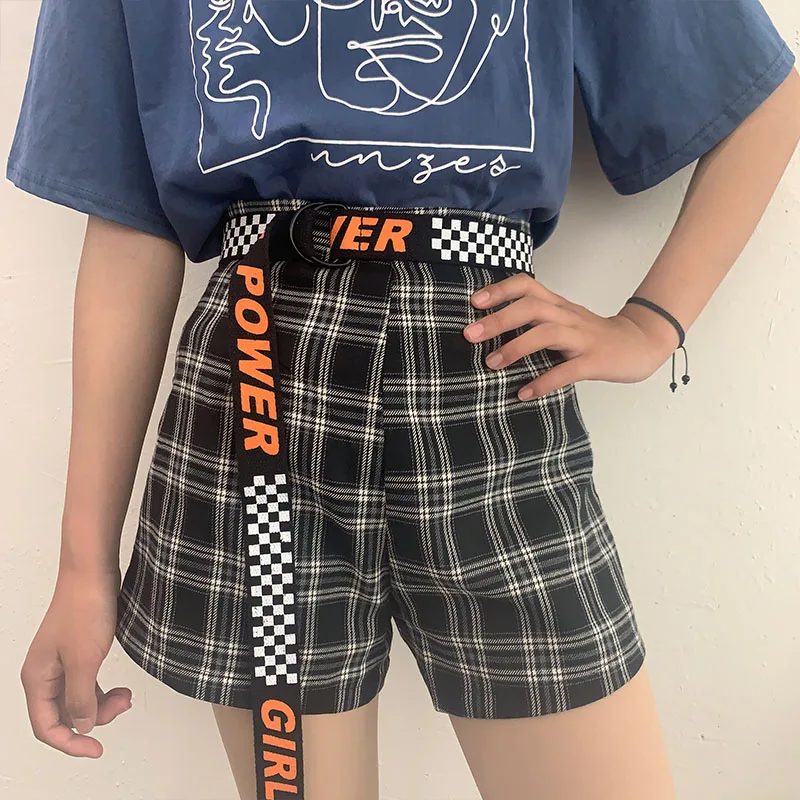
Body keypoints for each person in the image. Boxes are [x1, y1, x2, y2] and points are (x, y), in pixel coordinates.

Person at [7, 0, 800, 798]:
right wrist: (83, 568)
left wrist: (651, 324)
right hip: (259, 388)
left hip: (488, 373)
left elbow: (764, 96)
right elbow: (127, 221)